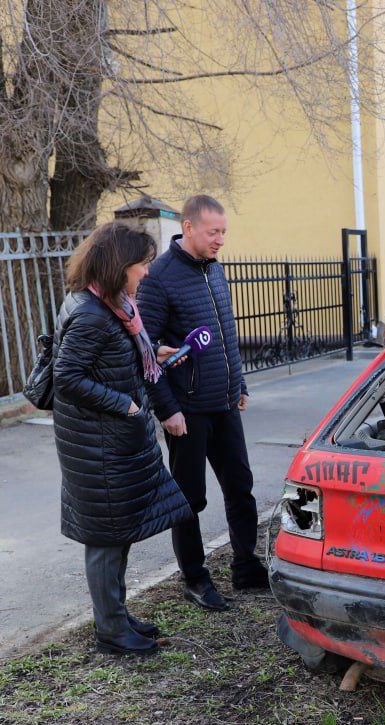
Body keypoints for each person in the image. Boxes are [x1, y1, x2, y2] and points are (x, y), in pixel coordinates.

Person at [53, 221, 193, 655]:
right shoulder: (93, 314)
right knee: (106, 540)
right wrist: (126, 405)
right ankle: (110, 630)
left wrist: (154, 356)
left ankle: (114, 615)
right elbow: (67, 377)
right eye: (141, 265)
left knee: (118, 533)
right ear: (119, 266)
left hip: (109, 441)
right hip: (98, 444)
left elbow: (106, 362)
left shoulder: (109, 305)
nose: (146, 273)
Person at [138, 195, 265, 611]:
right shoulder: (158, 277)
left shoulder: (215, 268)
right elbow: (146, 353)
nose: (220, 240)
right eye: (214, 232)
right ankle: (194, 578)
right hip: (186, 412)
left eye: (224, 232)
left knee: (241, 489)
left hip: (225, 402)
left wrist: (238, 381)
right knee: (190, 499)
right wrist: (167, 410)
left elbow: (226, 332)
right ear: (188, 227)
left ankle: (246, 567)